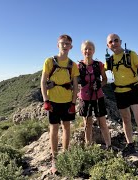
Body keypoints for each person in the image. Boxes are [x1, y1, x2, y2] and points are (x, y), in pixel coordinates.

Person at [105, 33, 138, 166]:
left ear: (120, 42)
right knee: (126, 119)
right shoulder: (110, 60)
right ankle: (130, 144)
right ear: (107, 45)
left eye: (116, 40)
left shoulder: (131, 54)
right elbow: (101, 72)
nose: (114, 43)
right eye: (111, 42)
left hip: (134, 91)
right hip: (119, 92)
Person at [40, 34, 79, 174]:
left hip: (67, 101)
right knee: (54, 130)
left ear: (71, 46)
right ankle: (54, 159)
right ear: (58, 45)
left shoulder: (73, 65)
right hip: (53, 102)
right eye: (62, 43)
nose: (65, 45)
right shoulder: (49, 61)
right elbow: (43, 81)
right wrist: (45, 100)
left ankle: (66, 154)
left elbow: (75, 85)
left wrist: (73, 103)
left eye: (67, 43)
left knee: (67, 128)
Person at [77, 40, 112, 149]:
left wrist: (99, 84)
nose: (88, 51)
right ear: (82, 51)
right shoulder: (78, 67)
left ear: (94, 51)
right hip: (84, 98)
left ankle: (109, 146)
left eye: (90, 48)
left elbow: (105, 79)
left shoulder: (99, 65)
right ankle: (89, 147)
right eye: (85, 49)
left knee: (102, 122)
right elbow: (73, 83)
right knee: (87, 124)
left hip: (98, 96)